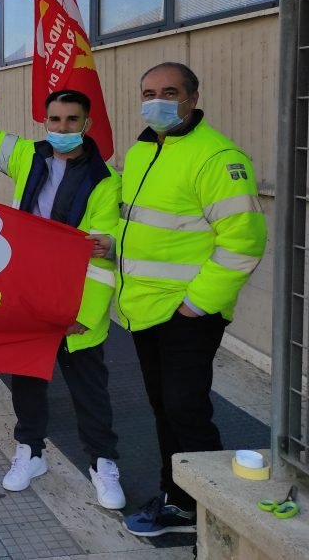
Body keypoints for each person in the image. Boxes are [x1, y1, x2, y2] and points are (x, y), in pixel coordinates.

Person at [110, 63, 266, 536]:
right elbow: (138, 223)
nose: (156, 101)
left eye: (169, 92)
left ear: (192, 99)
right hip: (145, 308)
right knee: (165, 408)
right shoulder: (142, 150)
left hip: (187, 312)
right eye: (148, 92)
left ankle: (214, 517)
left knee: (187, 412)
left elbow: (244, 242)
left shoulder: (217, 156)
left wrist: (195, 305)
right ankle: (179, 500)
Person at [0, 54, 124, 510]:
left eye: (71, 120)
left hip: (77, 302)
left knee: (89, 389)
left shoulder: (105, 180)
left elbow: (101, 256)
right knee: (28, 380)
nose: (62, 126)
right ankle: (30, 452)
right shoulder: (27, 155)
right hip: (30, 296)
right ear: (45, 121)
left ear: (87, 124)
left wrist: (84, 313)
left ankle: (103, 463)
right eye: (55, 119)